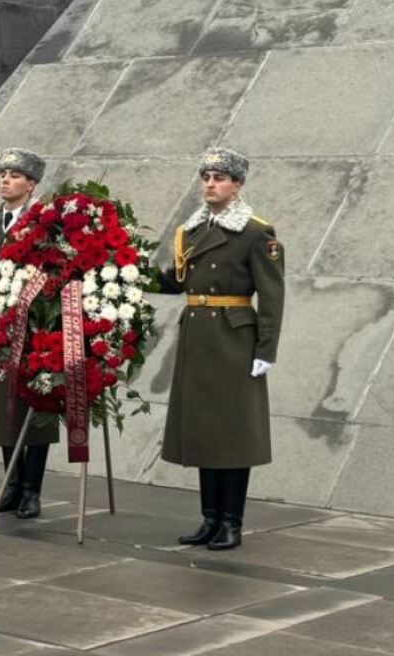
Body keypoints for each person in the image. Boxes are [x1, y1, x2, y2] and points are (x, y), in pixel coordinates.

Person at [158, 147, 285, 551]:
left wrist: (266, 349)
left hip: (234, 341)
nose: (210, 185)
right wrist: (123, 270)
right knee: (205, 432)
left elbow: (272, 295)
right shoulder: (191, 231)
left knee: (233, 434)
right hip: (197, 339)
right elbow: (177, 283)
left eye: (219, 178)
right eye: (206, 178)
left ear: (237, 185)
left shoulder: (255, 232)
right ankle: (210, 518)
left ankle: (231, 521)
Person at [0, 148, 58, 520]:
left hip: (35, 329)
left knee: (35, 410)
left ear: (31, 184)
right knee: (2, 411)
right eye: (3, 173)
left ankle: (32, 491)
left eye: (14, 175)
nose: (5, 180)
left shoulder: (46, 225)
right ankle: (11, 485)